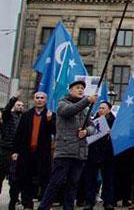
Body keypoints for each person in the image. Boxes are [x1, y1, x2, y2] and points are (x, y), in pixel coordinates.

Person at [37, 80, 98, 210]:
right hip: (65, 151)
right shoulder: (62, 103)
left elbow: (93, 127)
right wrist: (87, 100)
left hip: (80, 152)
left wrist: (86, 131)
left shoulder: (85, 109)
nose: (80, 90)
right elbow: (68, 111)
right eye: (77, 88)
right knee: (56, 182)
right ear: (70, 90)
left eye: (82, 88)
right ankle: (44, 207)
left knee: (73, 184)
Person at [12, 92, 55, 210]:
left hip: (42, 154)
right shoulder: (26, 115)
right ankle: (27, 204)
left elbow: (55, 132)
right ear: (34, 99)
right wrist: (15, 151)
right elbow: (19, 134)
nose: (39, 100)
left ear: (46, 100)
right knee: (26, 178)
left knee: (44, 179)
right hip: (27, 153)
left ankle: (45, 205)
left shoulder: (50, 115)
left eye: (42, 98)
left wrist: (49, 120)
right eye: (37, 98)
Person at [81, 101, 115, 210]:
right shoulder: (91, 121)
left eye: (103, 108)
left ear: (109, 110)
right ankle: (89, 201)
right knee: (91, 179)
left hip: (108, 154)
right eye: (100, 108)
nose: (101, 110)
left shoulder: (114, 121)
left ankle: (108, 201)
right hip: (93, 154)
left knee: (108, 179)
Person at [1, 96, 24, 207]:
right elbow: (6, 110)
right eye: (18, 105)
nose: (20, 107)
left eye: (22, 105)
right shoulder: (8, 117)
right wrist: (13, 99)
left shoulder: (23, 119)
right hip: (5, 150)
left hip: (17, 152)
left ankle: (13, 201)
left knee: (15, 179)